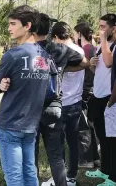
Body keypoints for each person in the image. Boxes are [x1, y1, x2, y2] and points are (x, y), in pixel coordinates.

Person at [0, 13, 89, 186]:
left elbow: (5, 78)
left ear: (30, 27)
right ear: (48, 30)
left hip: (27, 111)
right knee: (56, 156)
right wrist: (62, 68)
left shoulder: (24, 51)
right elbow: (85, 63)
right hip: (52, 108)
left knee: (30, 155)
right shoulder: (58, 49)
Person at [0, 5, 50, 186]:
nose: (9, 28)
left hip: (10, 124)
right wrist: (4, 84)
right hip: (30, 125)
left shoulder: (13, 55)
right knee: (30, 174)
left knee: (15, 178)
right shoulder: (44, 56)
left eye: (13, 24)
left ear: (27, 26)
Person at [50, 21, 85, 186]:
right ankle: (71, 176)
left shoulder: (62, 52)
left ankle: (62, 177)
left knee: (58, 143)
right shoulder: (80, 51)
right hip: (77, 101)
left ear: (56, 37)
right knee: (72, 142)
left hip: (63, 103)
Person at [85, 13, 116, 186]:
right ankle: (104, 170)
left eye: (103, 27)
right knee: (101, 137)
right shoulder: (101, 46)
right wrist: (91, 64)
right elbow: (99, 71)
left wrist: (103, 40)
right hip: (97, 95)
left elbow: (109, 62)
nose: (100, 30)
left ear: (114, 28)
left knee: (111, 139)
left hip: (109, 97)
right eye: (99, 26)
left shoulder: (111, 46)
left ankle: (113, 175)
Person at [73, 23, 101, 168]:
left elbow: (91, 69)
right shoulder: (93, 47)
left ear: (79, 33)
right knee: (89, 125)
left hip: (85, 90)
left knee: (83, 126)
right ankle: (95, 157)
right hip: (92, 89)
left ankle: (86, 160)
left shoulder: (85, 49)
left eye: (74, 33)